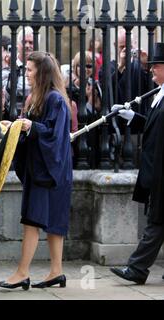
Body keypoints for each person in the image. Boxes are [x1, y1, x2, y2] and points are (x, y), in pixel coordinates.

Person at [0, 51, 72, 290]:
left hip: (49, 172)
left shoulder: (55, 100)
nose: (26, 73)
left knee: (34, 220)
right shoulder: (39, 98)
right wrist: (18, 126)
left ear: (42, 72)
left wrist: (31, 126)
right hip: (43, 169)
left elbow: (53, 135)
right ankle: (56, 271)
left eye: (30, 70)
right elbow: (38, 131)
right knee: (48, 221)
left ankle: (22, 273)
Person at [110, 43, 164, 285]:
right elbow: (154, 127)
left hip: (161, 172)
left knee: (157, 221)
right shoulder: (159, 95)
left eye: (156, 66)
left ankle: (137, 268)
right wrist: (132, 118)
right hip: (155, 170)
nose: (151, 70)